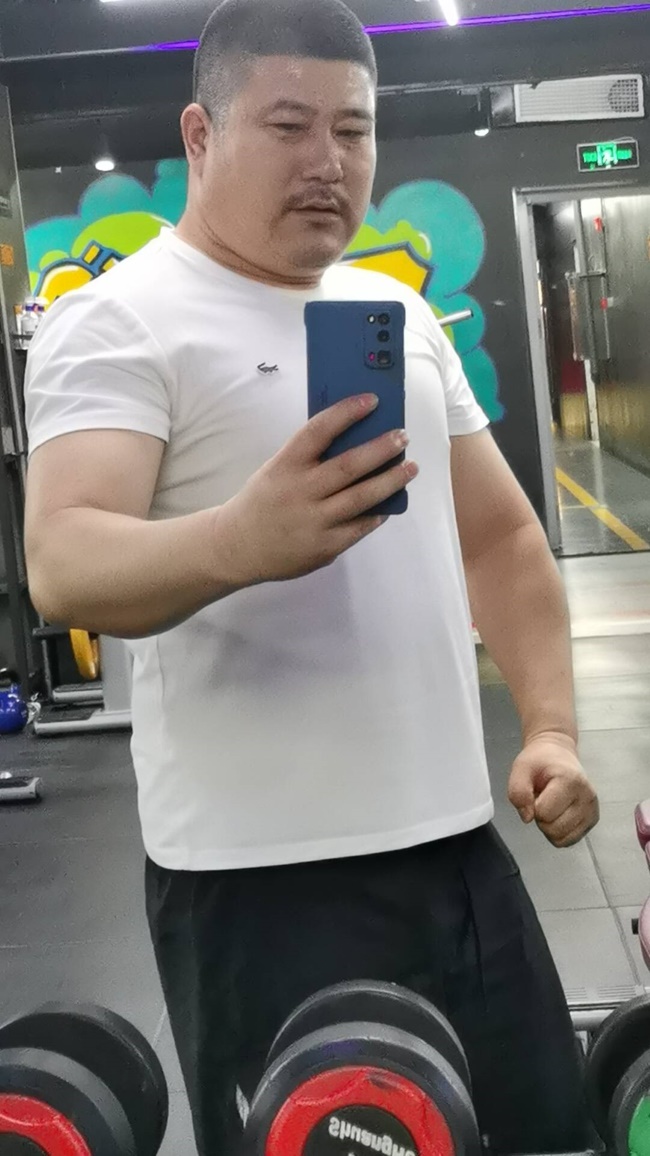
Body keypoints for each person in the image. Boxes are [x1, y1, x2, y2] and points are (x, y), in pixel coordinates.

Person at [23, 1, 599, 1153]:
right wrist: (239, 539)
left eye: (353, 128)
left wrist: (548, 728)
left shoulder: (396, 314)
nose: (328, 162)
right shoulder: (118, 319)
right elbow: (64, 560)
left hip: (455, 854)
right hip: (256, 883)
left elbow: (497, 539)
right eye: (288, 127)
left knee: (547, 1133)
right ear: (199, 135)